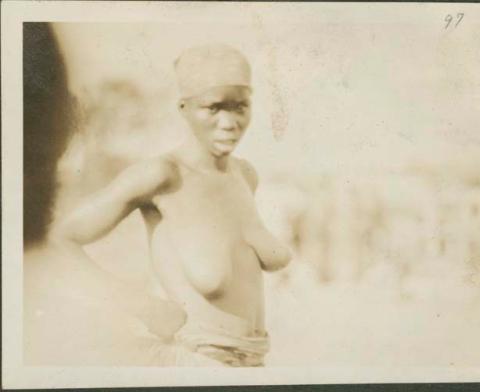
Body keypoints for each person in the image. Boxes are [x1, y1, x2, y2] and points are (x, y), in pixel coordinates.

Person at [53, 44, 292, 366]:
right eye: (214, 107)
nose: (229, 122)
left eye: (240, 107)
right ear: (184, 107)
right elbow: (57, 239)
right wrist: (140, 304)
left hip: (255, 366)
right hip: (198, 365)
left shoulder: (245, 175)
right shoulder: (162, 175)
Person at [23, 23, 186, 365]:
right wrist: (144, 307)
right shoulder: (78, 178)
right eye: (123, 121)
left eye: (136, 121)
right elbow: (53, 243)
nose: (131, 131)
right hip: (84, 332)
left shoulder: (146, 174)